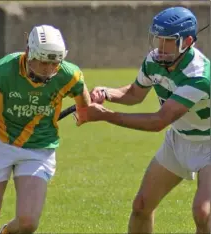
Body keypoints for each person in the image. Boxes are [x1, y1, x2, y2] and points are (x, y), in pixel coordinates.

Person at [78, 7, 211, 234]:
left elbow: (159, 121)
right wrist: (107, 92)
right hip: (179, 139)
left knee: (203, 213)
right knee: (141, 206)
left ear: (187, 41)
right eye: (157, 39)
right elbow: (134, 94)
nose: (159, 47)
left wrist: (105, 116)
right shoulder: (155, 60)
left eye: (167, 41)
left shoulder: (199, 75)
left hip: (208, 143)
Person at [0, 24, 91, 234]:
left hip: (38, 148)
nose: (48, 70)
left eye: (54, 63)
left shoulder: (68, 74)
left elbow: (81, 92)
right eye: (43, 62)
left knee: (28, 223)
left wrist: (84, 110)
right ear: (29, 53)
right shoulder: (2, 70)